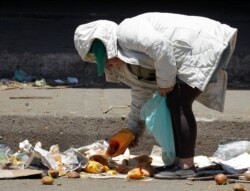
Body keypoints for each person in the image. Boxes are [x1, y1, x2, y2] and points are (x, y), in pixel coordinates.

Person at [74, 12, 237, 179]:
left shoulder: (126, 32)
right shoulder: (125, 62)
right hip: (193, 50)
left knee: (178, 101)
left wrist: (165, 83)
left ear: (107, 44)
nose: (110, 63)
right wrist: (132, 131)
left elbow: (160, 47)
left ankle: (185, 167)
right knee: (175, 101)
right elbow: (141, 92)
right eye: (104, 63)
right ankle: (179, 163)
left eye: (107, 57)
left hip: (203, 43)